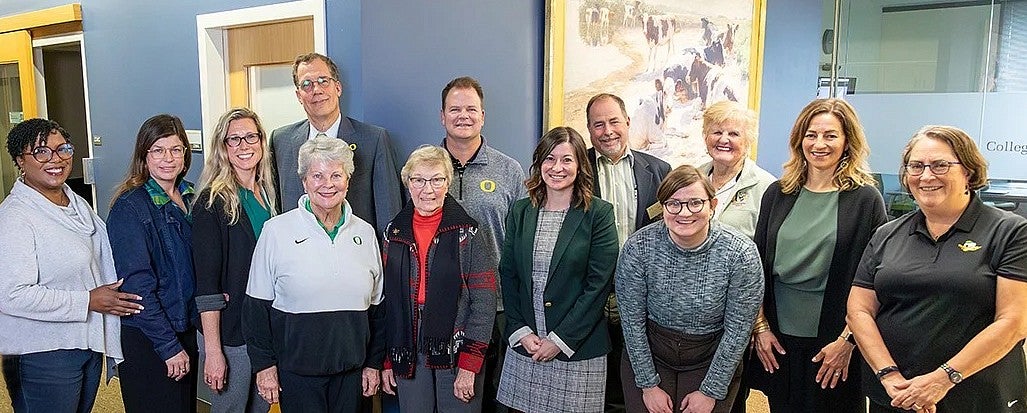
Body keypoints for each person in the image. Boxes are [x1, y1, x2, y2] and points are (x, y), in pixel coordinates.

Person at [848, 125, 1027, 413]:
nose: (927, 176)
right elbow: (859, 310)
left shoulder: (1010, 232)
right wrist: (888, 375)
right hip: (896, 395)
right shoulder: (887, 234)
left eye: (941, 165)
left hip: (976, 397)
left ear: (968, 171)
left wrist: (943, 379)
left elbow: (1014, 322)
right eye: (916, 166)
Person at [748, 98, 887, 412]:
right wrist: (761, 327)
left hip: (836, 340)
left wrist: (849, 340)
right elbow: (754, 269)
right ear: (799, 140)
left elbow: (877, 279)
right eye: (811, 135)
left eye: (830, 135)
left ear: (847, 142)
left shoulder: (865, 199)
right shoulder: (778, 193)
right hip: (778, 340)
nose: (819, 143)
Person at [0, 119, 139, 413]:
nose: (56, 159)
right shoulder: (14, 218)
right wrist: (88, 300)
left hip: (82, 342)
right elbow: (11, 294)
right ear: (19, 161)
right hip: (42, 353)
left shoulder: (75, 203)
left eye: (62, 149)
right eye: (41, 152)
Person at [243, 136, 384, 413]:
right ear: (304, 181)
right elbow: (255, 310)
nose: (327, 184)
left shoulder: (365, 233)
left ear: (348, 180)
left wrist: (373, 364)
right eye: (317, 175)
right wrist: (264, 367)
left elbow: (379, 310)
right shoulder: (276, 231)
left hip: (353, 374)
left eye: (336, 175)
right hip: (296, 375)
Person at [616, 165, 764, 413]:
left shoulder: (741, 253)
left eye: (695, 203)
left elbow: (738, 331)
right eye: (673, 204)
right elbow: (631, 323)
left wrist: (711, 392)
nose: (684, 213)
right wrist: (648, 385)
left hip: (710, 357)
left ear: (713, 205)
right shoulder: (638, 248)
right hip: (650, 353)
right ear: (662, 207)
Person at [496, 127, 619, 413]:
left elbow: (598, 285)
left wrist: (560, 340)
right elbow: (508, 273)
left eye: (567, 160)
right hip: (526, 345)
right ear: (539, 164)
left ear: (580, 166)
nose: (557, 168)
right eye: (549, 159)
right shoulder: (521, 211)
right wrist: (520, 330)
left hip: (577, 350)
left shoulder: (599, 214)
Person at [379, 145, 497, 412]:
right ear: (407, 183)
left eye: (436, 180)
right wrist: (388, 359)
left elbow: (484, 301)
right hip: (408, 341)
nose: (427, 189)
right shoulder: (393, 232)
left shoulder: (468, 231)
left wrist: (469, 365)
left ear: (448, 183)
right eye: (418, 180)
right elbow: (388, 303)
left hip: (456, 341)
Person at [438, 76, 525, 413]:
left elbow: (519, 240)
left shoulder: (509, 169)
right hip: (443, 309)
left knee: (498, 400)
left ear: (483, 115)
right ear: (442, 116)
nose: (463, 115)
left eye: (471, 109)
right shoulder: (425, 167)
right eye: (455, 109)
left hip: (500, 306)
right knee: (458, 403)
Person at [584, 92, 671, 413]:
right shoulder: (576, 171)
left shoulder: (660, 171)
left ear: (628, 123)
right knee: (596, 380)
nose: (607, 131)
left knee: (639, 378)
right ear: (589, 131)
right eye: (598, 125)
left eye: (613, 122)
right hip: (591, 293)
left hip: (645, 295)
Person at [108, 114, 199, 413]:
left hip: (183, 328)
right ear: (144, 156)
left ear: (185, 153)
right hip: (150, 338)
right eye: (158, 150)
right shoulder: (130, 207)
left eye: (175, 149)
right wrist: (169, 347)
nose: (168, 158)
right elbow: (136, 288)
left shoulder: (192, 196)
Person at [192, 108, 277, 413]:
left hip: (262, 329)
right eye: (234, 139)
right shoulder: (211, 202)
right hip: (230, 335)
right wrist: (214, 352)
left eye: (250, 137)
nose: (244, 146)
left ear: (261, 141)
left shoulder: (267, 195)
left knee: (260, 408)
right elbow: (207, 287)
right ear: (223, 148)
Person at [270, 52, 402, 234]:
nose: (316, 90)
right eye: (306, 84)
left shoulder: (374, 140)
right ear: (299, 95)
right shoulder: (280, 141)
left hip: (355, 252)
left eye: (323, 80)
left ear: (338, 88)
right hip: (297, 256)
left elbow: (389, 215)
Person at [697, 100, 776, 240]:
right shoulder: (693, 178)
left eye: (733, 134)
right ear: (705, 137)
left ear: (748, 141)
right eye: (717, 132)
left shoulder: (767, 187)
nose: (723, 140)